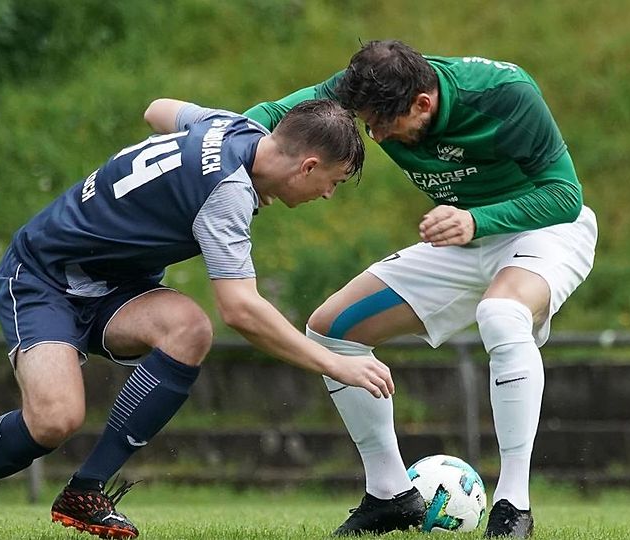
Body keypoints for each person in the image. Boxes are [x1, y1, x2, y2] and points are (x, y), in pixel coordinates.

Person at [0, 98, 396, 539]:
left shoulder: (233, 127)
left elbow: (156, 110)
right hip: (43, 277)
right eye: (333, 182)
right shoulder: (227, 193)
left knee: (188, 329)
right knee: (55, 420)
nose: (328, 194)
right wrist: (334, 363)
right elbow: (241, 310)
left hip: (115, 287)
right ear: (308, 166)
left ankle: (86, 490)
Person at [240, 40, 598, 538]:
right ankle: (391, 495)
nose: (376, 136)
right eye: (368, 124)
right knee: (332, 329)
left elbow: (564, 195)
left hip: (543, 230)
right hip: (460, 236)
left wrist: (476, 220)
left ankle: (513, 506)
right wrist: (213, 152)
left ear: (423, 103)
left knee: (500, 314)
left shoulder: (504, 93)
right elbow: (269, 116)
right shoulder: (365, 87)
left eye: (383, 126)